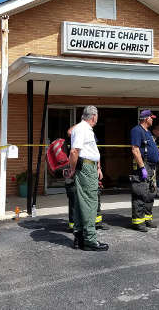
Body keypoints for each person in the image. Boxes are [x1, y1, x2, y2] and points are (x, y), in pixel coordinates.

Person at [66, 106, 108, 251]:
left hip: (88, 166)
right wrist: (72, 168)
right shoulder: (83, 129)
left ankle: (79, 238)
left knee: (80, 202)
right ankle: (90, 240)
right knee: (90, 202)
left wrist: (97, 167)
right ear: (94, 117)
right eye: (97, 116)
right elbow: (74, 151)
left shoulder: (82, 128)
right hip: (86, 168)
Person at [130, 109, 159, 232]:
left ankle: (147, 219)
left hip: (152, 167)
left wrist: (157, 154)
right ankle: (138, 222)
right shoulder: (137, 131)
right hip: (144, 166)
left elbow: (150, 146)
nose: (153, 119)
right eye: (151, 118)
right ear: (146, 118)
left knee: (150, 193)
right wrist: (142, 167)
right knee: (140, 193)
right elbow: (135, 150)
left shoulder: (147, 132)